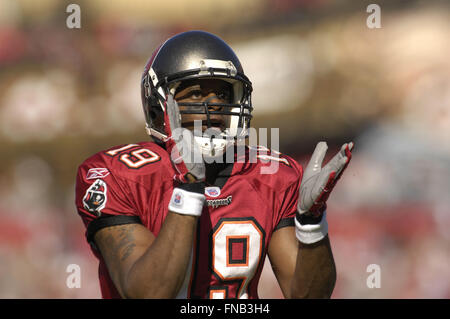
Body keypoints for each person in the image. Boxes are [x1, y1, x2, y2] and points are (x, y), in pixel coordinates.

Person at [75, 30, 353, 299]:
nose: (214, 106)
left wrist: (312, 223)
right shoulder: (117, 174)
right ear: (157, 107)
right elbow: (148, 293)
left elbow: (307, 296)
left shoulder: (270, 174)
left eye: (222, 94)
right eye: (196, 94)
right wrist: (188, 189)